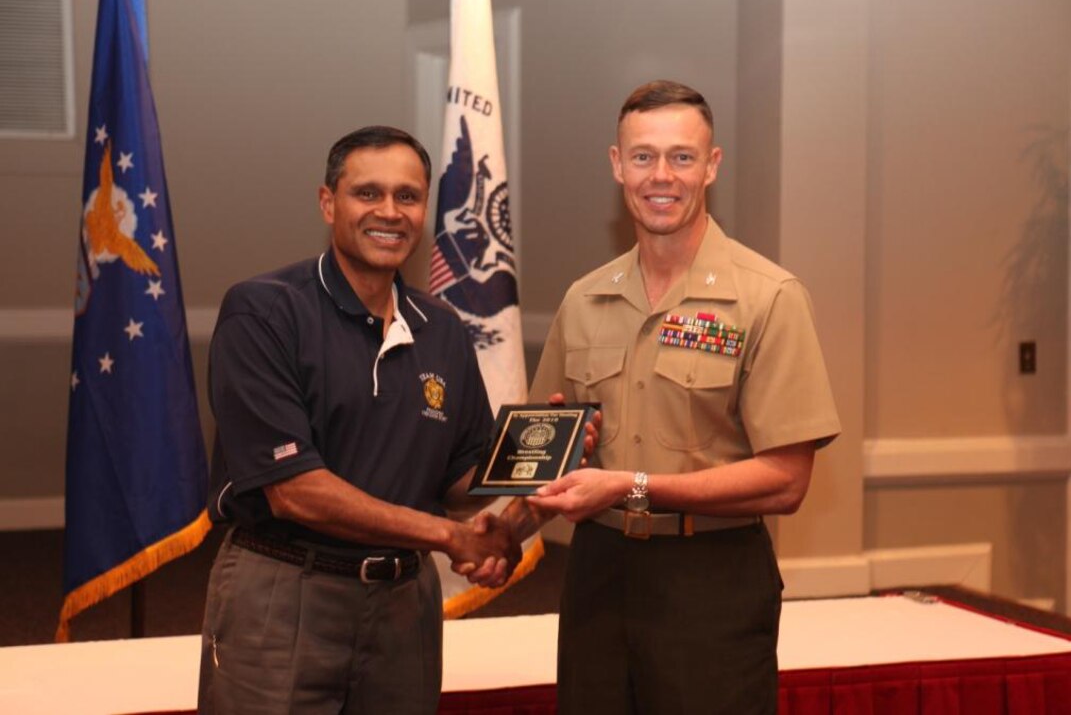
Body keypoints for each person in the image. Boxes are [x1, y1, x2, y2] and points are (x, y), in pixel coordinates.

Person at [527, 80, 842, 713]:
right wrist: (501, 529)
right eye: (643, 156)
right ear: (617, 165)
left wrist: (628, 486)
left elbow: (786, 481)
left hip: (712, 579)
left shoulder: (769, 298)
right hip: (597, 575)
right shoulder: (583, 300)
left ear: (711, 165)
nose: (660, 176)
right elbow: (544, 448)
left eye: (681, 156)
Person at [197, 126, 523, 714]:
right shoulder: (264, 311)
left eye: (408, 196)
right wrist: (449, 537)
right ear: (328, 203)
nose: (390, 212)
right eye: (367, 194)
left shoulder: (442, 326)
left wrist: (541, 462)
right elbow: (296, 491)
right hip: (284, 592)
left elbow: (459, 477)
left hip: (404, 607)